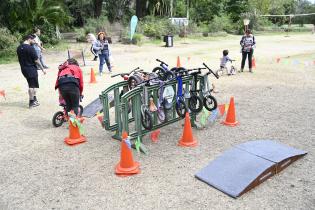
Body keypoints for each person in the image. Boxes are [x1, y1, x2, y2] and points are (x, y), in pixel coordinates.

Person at [17, 34, 46, 108]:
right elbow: (37, 60)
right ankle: (31, 102)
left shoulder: (19, 48)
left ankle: (35, 100)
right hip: (31, 69)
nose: (34, 41)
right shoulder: (30, 48)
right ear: (29, 39)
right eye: (33, 40)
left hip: (24, 69)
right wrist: (42, 69)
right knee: (32, 86)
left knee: (32, 84)